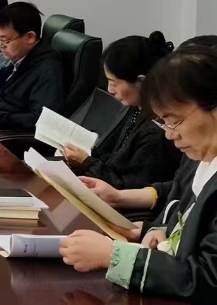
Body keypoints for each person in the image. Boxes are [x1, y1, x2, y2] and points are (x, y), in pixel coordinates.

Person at [59, 46, 217, 300]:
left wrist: (115, 256)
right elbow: (183, 211)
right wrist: (156, 230)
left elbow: (208, 278)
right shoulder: (200, 157)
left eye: (174, 120)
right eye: (163, 122)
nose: (169, 134)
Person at [61, 33, 180, 190]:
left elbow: (128, 187)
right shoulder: (136, 109)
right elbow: (117, 160)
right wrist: (85, 157)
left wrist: (86, 162)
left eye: (114, 82)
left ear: (142, 82)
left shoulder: (157, 131)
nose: (110, 90)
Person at [0, 2, 64, 132]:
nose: (1, 46)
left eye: (6, 40)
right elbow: (0, 91)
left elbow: (40, 120)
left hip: (7, 135)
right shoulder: (21, 58)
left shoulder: (48, 70)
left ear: (30, 37)